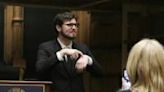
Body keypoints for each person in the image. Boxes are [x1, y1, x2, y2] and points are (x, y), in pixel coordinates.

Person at [35, 12, 103, 92]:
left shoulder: (82, 48)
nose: (74, 28)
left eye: (76, 25)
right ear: (58, 28)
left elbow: (99, 73)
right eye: (69, 25)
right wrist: (60, 54)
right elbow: (40, 70)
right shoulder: (46, 47)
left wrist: (88, 59)